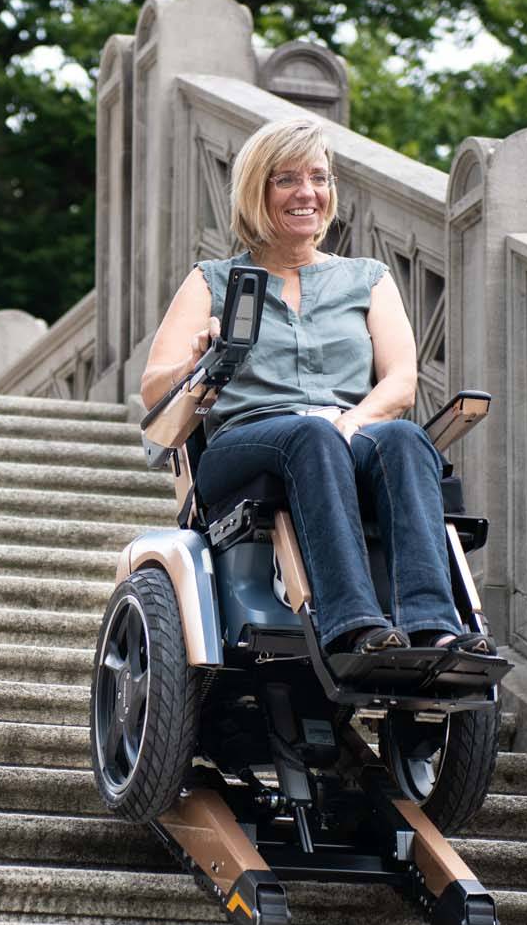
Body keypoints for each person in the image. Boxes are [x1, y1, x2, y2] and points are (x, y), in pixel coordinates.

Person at [137, 115, 489, 664]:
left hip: (347, 430)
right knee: (311, 437)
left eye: (319, 178)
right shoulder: (213, 280)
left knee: (405, 439)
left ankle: (432, 626)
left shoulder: (366, 277)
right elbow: (152, 391)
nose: (308, 193)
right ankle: (351, 623)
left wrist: (353, 421)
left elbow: (400, 382)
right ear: (258, 191)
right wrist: (198, 357)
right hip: (248, 439)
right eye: (287, 180)